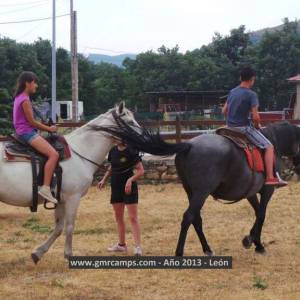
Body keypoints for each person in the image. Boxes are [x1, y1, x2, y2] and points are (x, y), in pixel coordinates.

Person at [222, 66, 287, 187]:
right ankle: (270, 178)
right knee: (269, 146)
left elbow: (224, 110)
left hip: (228, 127)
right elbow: (256, 117)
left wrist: (231, 120)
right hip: (243, 128)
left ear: (240, 78)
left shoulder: (232, 92)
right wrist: (257, 126)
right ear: (252, 79)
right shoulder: (251, 95)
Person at [13, 71, 59, 203]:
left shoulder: (19, 97)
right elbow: (32, 122)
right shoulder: (25, 100)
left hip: (23, 131)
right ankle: (45, 187)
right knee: (54, 154)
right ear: (27, 83)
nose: (36, 85)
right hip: (27, 132)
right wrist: (50, 129)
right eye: (34, 82)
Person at [98, 139, 145, 256]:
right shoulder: (113, 151)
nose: (114, 139)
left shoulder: (131, 151)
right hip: (115, 187)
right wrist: (104, 179)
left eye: (116, 137)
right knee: (119, 218)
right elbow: (111, 167)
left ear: (122, 138)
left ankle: (138, 247)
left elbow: (141, 171)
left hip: (129, 188)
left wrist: (130, 180)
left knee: (133, 218)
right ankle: (121, 245)